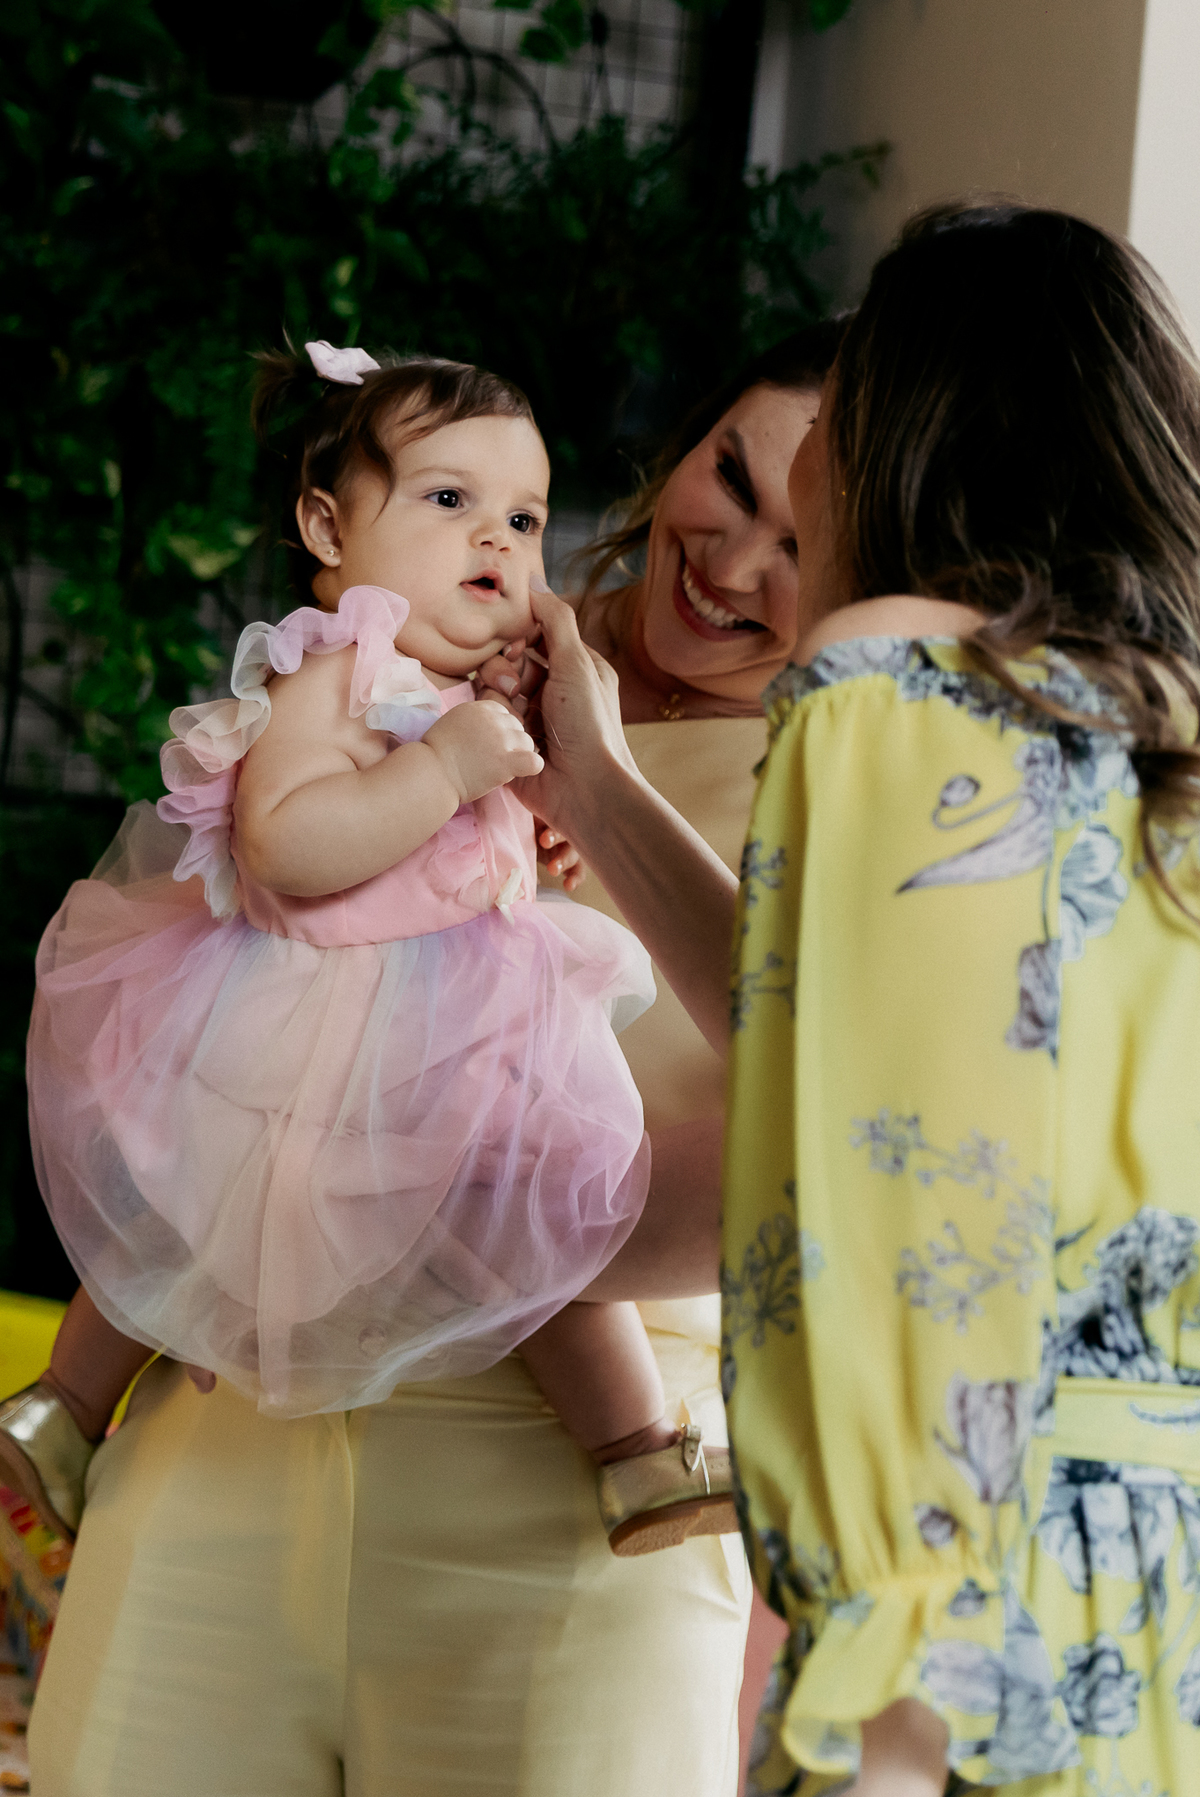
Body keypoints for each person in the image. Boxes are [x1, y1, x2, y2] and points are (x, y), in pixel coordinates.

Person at [28, 328, 836, 1797]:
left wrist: (435, 1196)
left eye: (804, 537)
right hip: (229, 1429)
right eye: (730, 475)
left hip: (572, 1514)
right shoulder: (406, 652)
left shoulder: (849, 777)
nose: (733, 560)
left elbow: (831, 1150)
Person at [484, 201, 1200, 1795]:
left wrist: (894, 1690)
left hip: (951, 1642)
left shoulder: (890, 676)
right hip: (1149, 1616)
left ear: (900, 431)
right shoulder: (1154, 730)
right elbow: (831, 1034)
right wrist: (594, 781)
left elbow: (910, 1193)